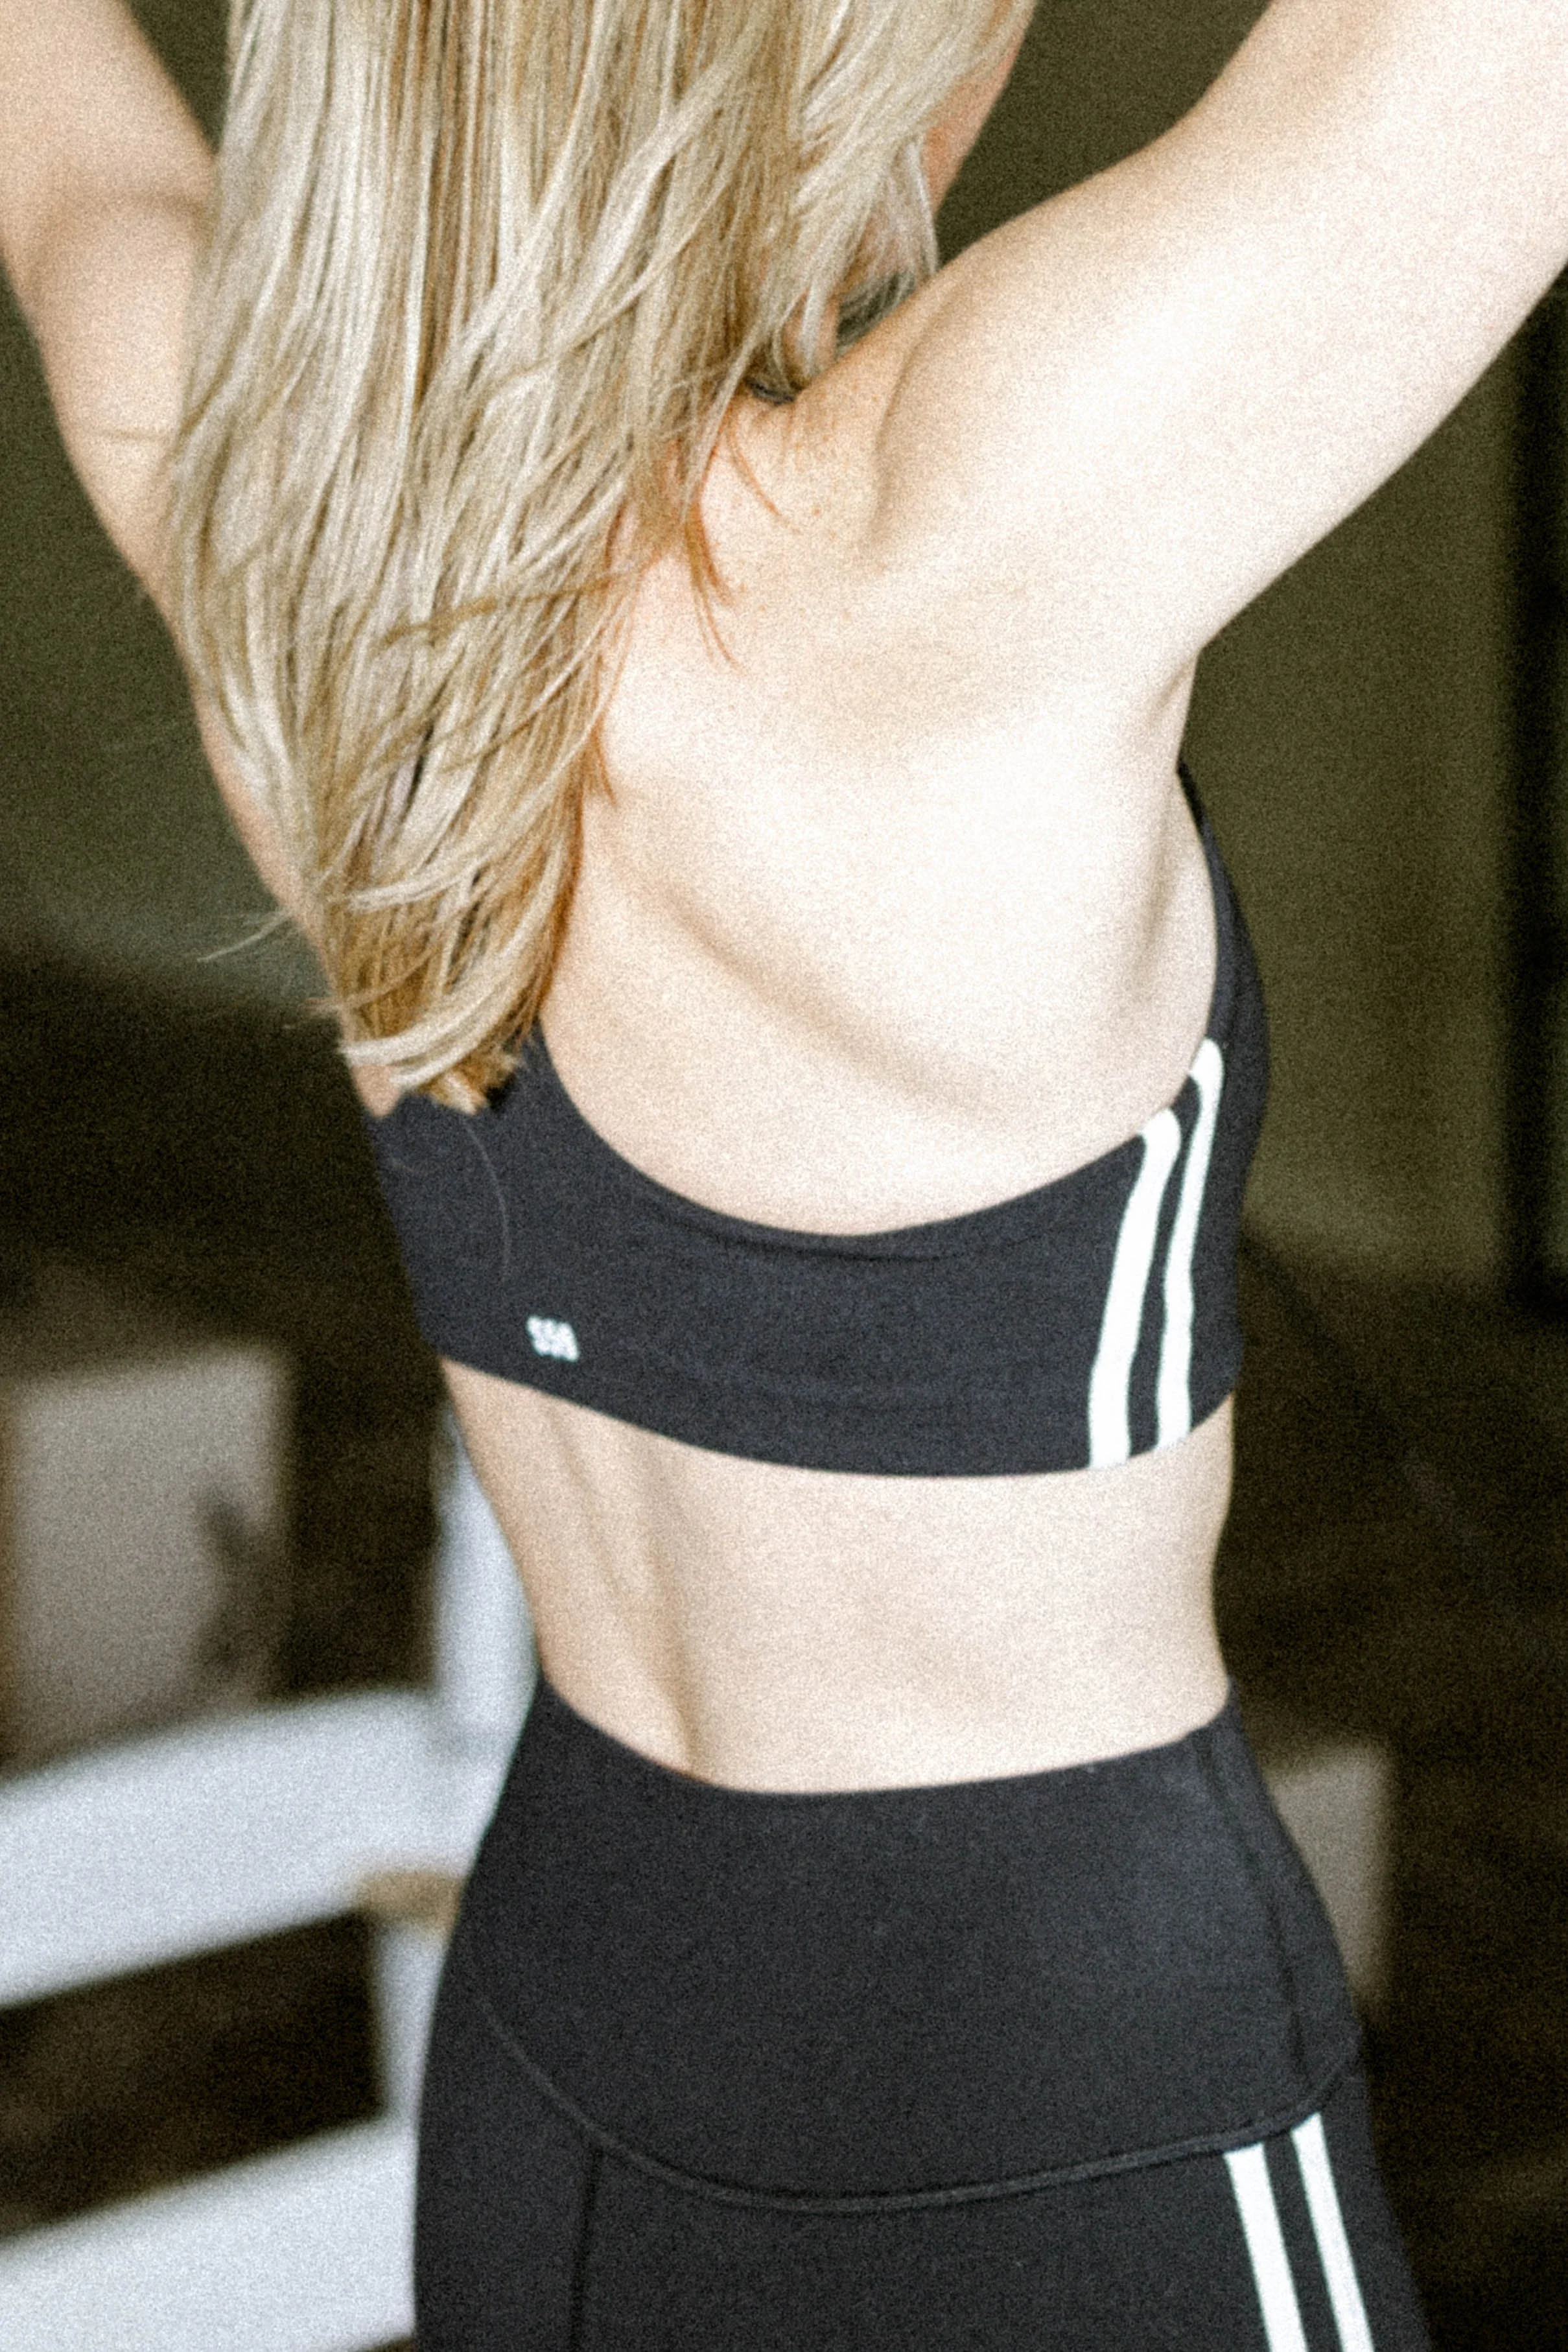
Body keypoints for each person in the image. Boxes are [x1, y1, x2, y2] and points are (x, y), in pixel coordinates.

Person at [5, 1, 1566, 2342]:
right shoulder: (948, 529)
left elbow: (56, 145)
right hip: (1059, 2119)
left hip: (566, 2044)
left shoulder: (267, 534)